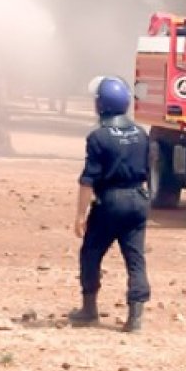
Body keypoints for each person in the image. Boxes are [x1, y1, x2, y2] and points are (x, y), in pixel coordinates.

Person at [69, 76, 151, 332]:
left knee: (91, 253)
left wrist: (80, 215)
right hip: (138, 200)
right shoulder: (141, 133)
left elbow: (87, 180)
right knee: (135, 259)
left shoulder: (98, 137)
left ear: (101, 105)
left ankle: (89, 309)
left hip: (111, 202)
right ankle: (135, 317)